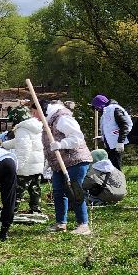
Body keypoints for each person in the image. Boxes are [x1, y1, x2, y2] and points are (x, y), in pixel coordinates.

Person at [41, 100, 93, 234]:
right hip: (60, 163)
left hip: (76, 160)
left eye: (34, 112)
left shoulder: (62, 119)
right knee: (58, 191)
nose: (34, 116)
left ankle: (83, 224)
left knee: (74, 191)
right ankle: (61, 223)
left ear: (43, 110)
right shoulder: (47, 123)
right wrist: (47, 164)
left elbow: (77, 138)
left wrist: (61, 144)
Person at [8, 108, 46, 212]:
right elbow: (18, 141)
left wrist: (17, 167)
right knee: (35, 189)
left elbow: (24, 150)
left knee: (18, 189)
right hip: (37, 164)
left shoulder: (22, 129)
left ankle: (12, 209)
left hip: (26, 166)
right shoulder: (35, 127)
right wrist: (4, 145)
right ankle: (35, 209)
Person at [93, 94, 133, 170]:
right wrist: (103, 137)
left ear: (100, 104)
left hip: (116, 144)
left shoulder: (114, 109)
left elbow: (125, 125)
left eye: (97, 107)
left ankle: (119, 181)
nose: (97, 110)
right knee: (112, 167)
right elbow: (110, 128)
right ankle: (114, 181)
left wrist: (120, 142)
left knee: (116, 167)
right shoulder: (106, 112)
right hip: (111, 145)